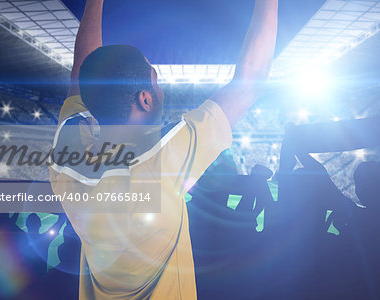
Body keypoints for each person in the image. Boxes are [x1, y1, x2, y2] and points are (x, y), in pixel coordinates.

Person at [49, 0, 278, 299]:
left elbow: (84, 75)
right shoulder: (163, 159)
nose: (162, 90)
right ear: (144, 99)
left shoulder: (66, 159)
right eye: (156, 81)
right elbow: (250, 80)